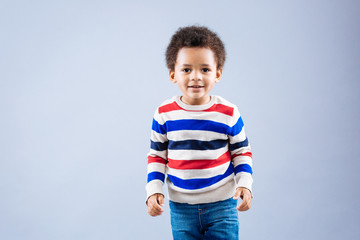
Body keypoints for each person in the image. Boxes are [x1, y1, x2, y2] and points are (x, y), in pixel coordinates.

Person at [145, 25, 253, 240]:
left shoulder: (229, 112)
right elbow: (157, 156)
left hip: (222, 205)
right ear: (172, 74)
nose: (196, 76)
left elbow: (241, 152)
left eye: (205, 69)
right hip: (181, 209)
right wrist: (153, 190)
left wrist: (245, 185)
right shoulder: (164, 114)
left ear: (218, 74)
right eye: (186, 69)